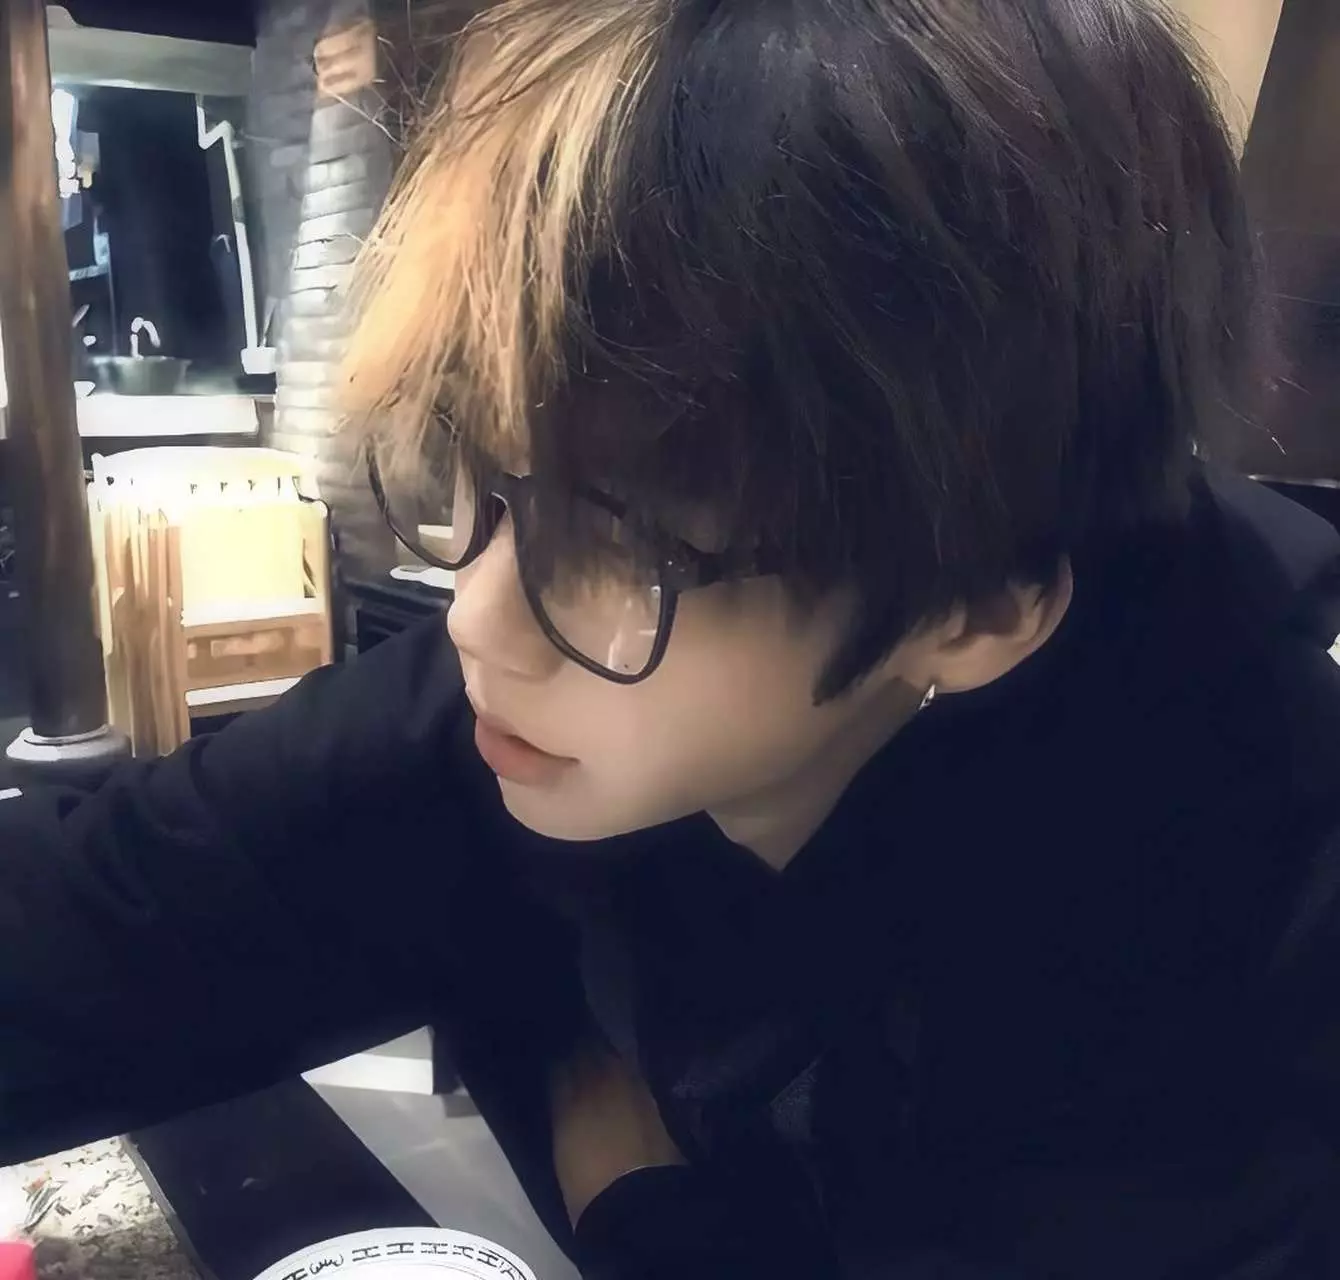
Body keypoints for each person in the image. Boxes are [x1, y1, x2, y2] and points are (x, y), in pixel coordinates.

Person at [4, 0, 1340, 1275]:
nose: (476, 617)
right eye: (473, 463)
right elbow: (119, 911)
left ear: (975, 603)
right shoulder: (545, 674)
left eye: (619, 541)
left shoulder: (1226, 919)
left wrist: (650, 1219)